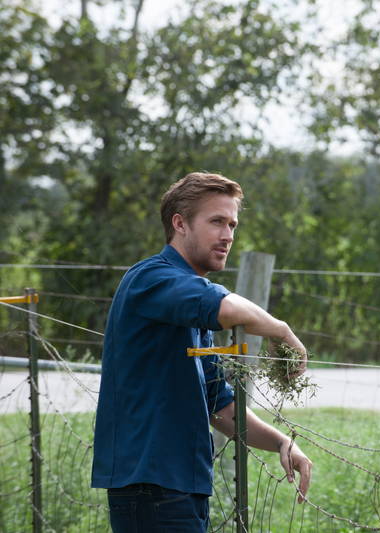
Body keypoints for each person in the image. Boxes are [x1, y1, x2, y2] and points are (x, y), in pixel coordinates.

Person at [91, 172, 312, 532]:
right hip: (152, 491)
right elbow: (225, 308)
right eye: (216, 222)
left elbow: (218, 405)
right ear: (180, 223)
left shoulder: (188, 303)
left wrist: (282, 443)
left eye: (232, 224)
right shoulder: (152, 279)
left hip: (182, 487)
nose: (228, 236)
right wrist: (282, 331)